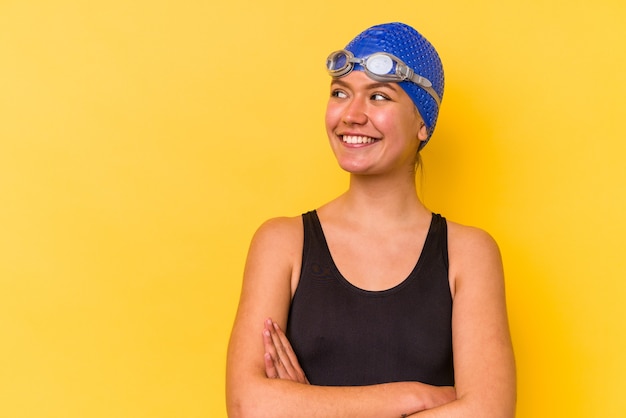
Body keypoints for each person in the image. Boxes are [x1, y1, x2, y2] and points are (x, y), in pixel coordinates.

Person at [226, 22, 516, 417]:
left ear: (422, 124)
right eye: (340, 93)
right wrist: (413, 398)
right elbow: (247, 407)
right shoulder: (281, 243)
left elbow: (488, 413)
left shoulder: (468, 253)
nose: (352, 115)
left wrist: (307, 407)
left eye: (378, 96)